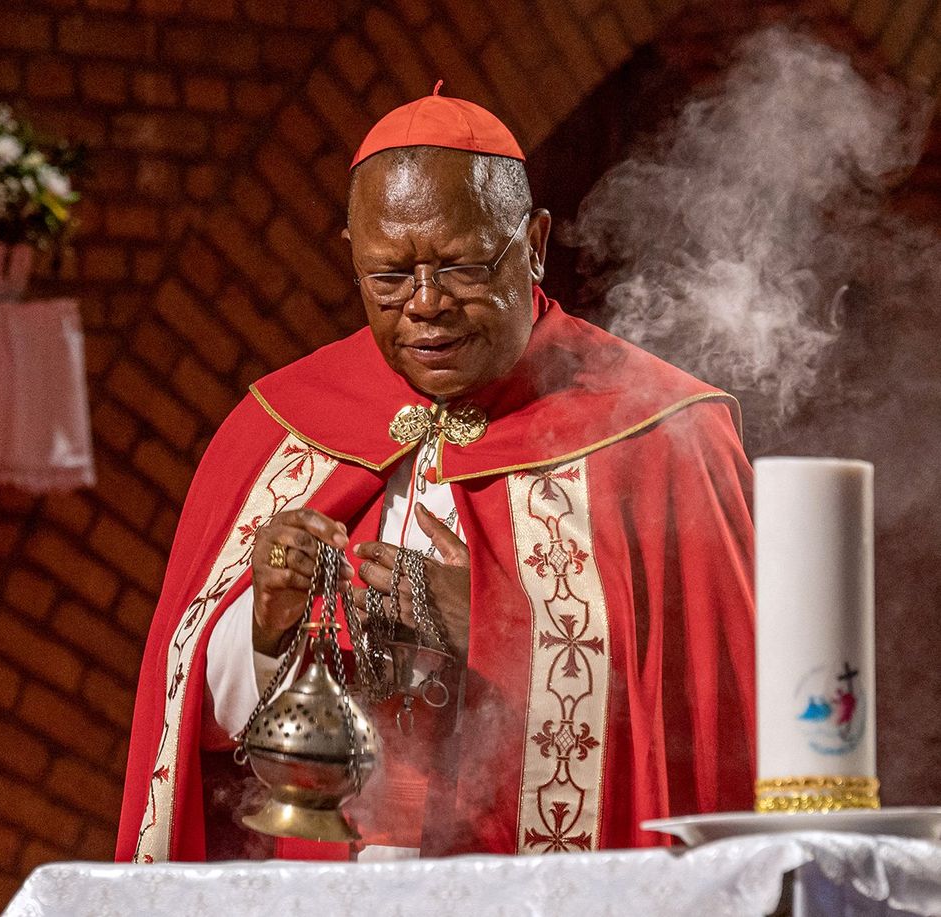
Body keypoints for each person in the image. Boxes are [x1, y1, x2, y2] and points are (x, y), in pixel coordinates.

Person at [116, 85, 755, 865]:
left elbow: (702, 720)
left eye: (459, 267)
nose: (425, 305)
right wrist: (268, 636)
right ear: (351, 253)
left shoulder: (659, 433)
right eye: (389, 276)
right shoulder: (278, 427)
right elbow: (186, 730)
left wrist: (494, 625)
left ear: (535, 242)